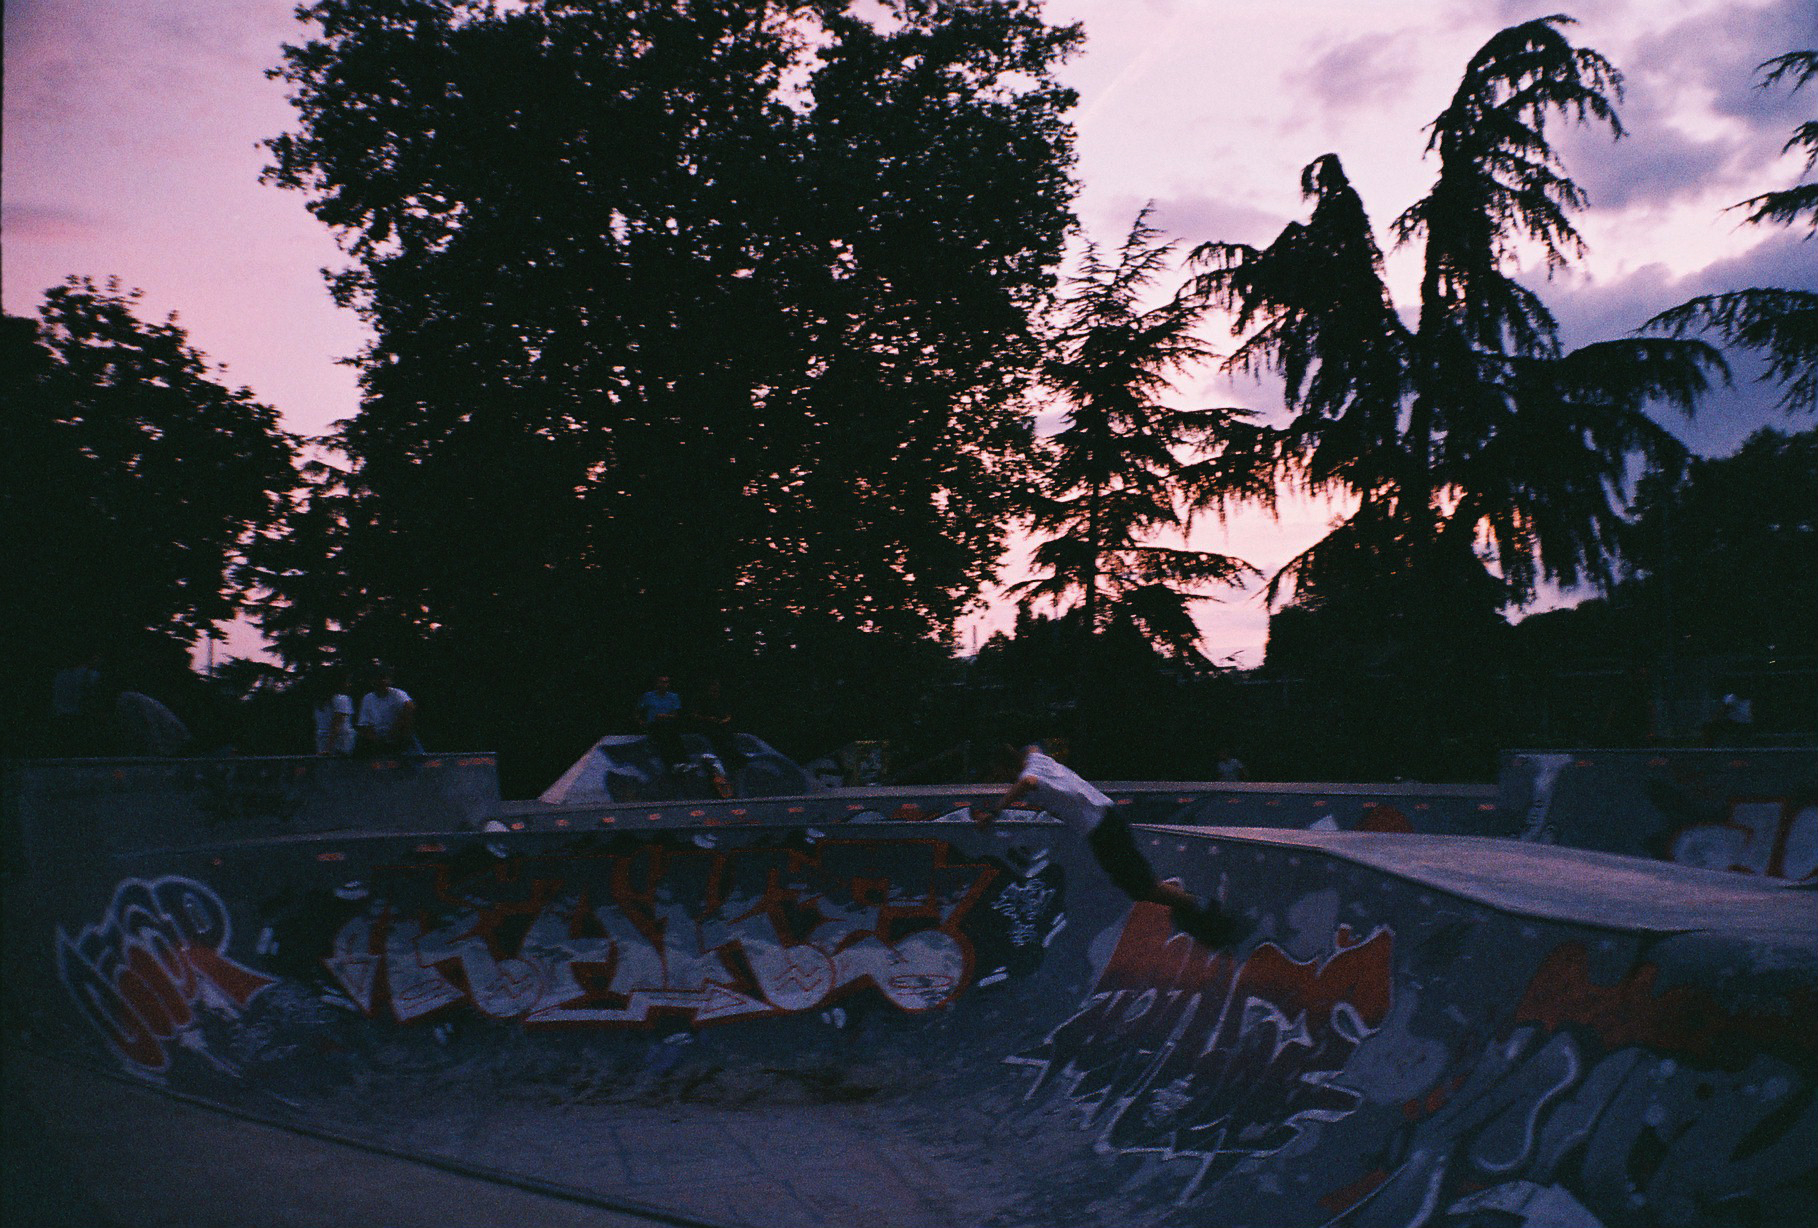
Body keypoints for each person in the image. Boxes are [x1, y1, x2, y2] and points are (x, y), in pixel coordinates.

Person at [972, 741, 1247, 947]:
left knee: (1142, 888)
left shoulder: (1029, 776)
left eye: (1001, 774)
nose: (1003, 780)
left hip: (1102, 829)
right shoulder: (1036, 757)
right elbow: (1033, 745)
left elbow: (1027, 782)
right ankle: (1191, 905)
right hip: (1108, 818)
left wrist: (993, 813)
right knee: (1137, 885)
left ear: (1006, 767)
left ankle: (1204, 909)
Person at [355, 665, 420, 755]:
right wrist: (378, 743)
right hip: (377, 740)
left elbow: (409, 707)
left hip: (399, 736)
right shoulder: (368, 698)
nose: (382, 682)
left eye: (384, 678)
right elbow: (364, 726)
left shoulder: (398, 694)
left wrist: (397, 729)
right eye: (378, 679)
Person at [636, 674, 686, 766]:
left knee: (673, 736)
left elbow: (676, 715)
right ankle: (672, 764)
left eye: (666, 682)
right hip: (653, 724)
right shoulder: (648, 696)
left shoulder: (673, 697)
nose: (664, 685)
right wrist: (641, 722)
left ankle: (684, 762)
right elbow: (638, 711)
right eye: (661, 682)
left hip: (668, 724)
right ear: (657, 683)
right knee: (663, 737)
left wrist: (665, 716)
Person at [311, 671, 356, 756]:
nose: (349, 685)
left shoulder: (320, 702)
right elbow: (336, 725)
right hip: (338, 743)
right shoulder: (341, 699)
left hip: (327, 742)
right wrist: (328, 748)